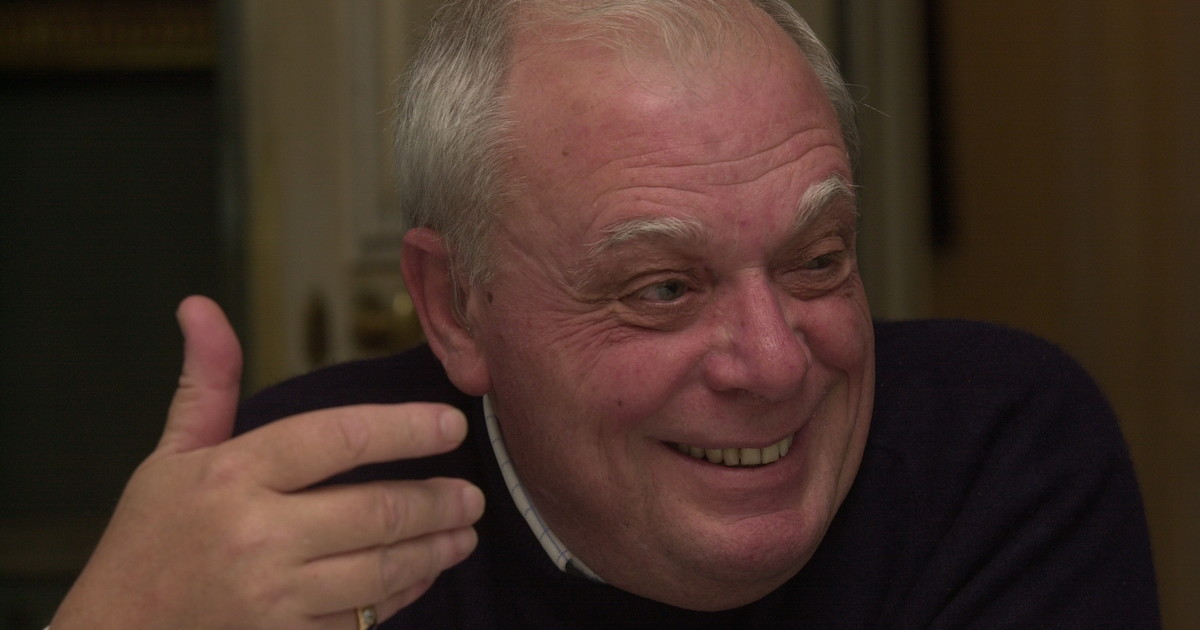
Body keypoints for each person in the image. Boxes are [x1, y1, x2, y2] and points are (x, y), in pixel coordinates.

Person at [50, 0, 1160, 628]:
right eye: (662, 288)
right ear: (456, 308)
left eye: (818, 261)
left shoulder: (999, 453)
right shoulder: (294, 520)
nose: (776, 365)